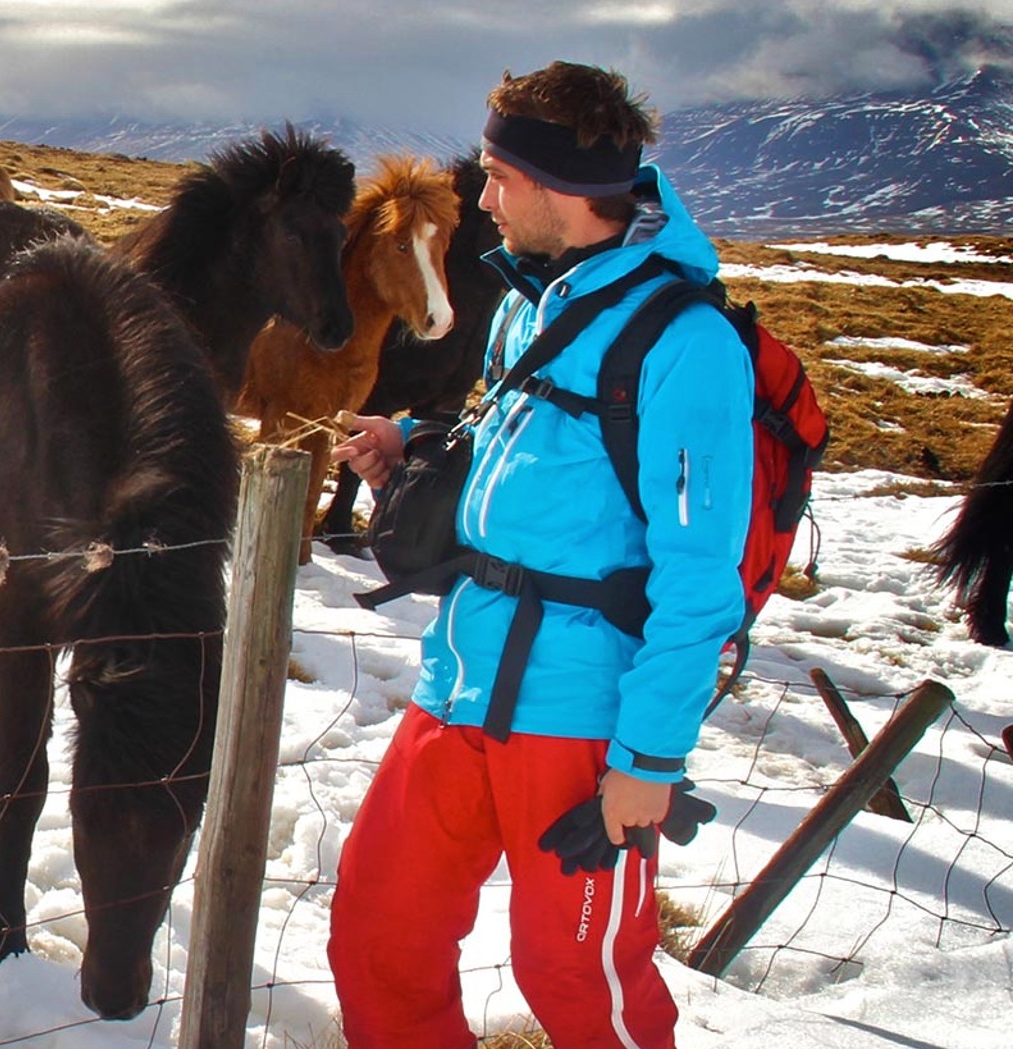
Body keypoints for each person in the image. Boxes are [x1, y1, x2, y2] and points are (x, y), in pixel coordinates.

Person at [324, 61, 752, 1048]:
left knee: (577, 977)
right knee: (377, 931)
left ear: (559, 187)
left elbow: (699, 578)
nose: (481, 199)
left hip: (580, 719)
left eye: (497, 176)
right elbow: (526, 461)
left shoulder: (686, 343)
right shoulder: (530, 298)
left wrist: (647, 758)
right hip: (458, 679)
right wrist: (411, 451)